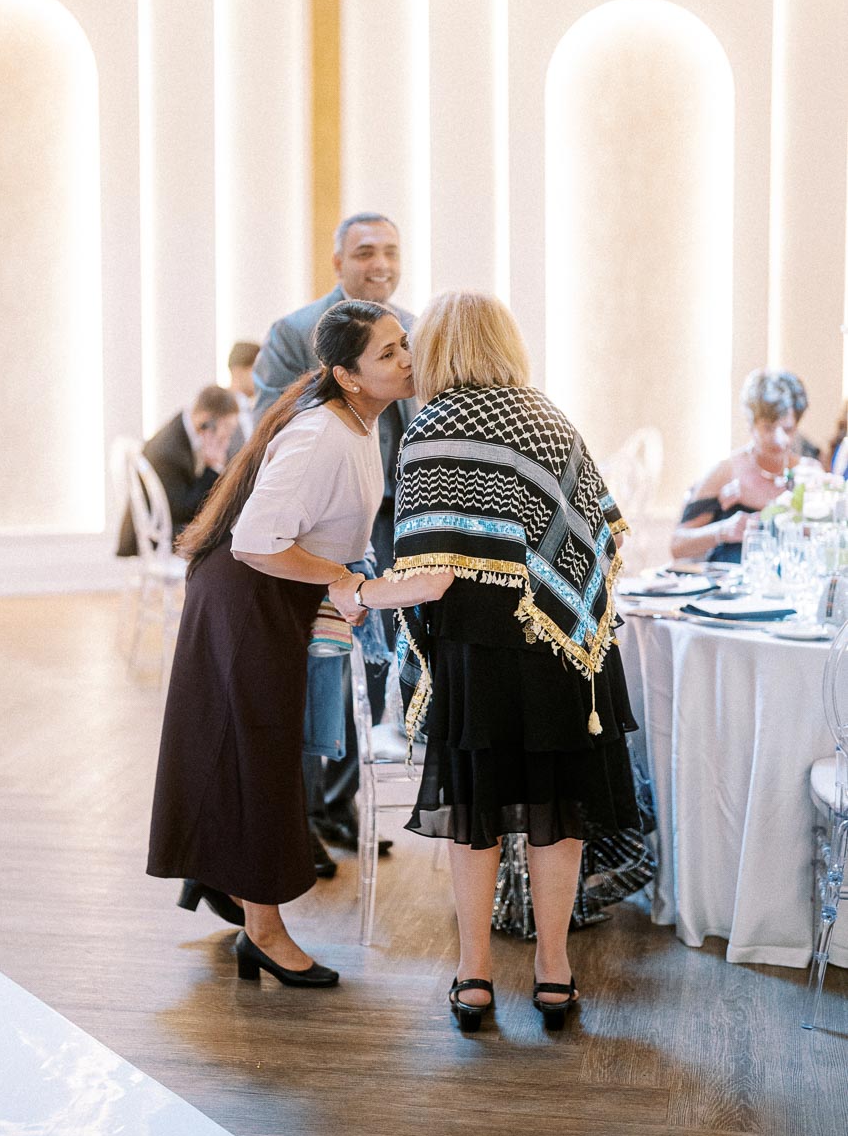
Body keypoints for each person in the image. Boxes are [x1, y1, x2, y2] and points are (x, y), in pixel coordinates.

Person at [330, 291, 640, 1033]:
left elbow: (430, 577)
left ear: (439, 349)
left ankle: (473, 973)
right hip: (562, 653)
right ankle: (554, 971)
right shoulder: (549, 418)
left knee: (477, 817)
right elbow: (601, 539)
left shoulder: (432, 430)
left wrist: (360, 590)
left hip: (479, 656)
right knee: (555, 813)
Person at [146, 300, 450, 988]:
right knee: (262, 759)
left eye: (404, 345)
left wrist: (344, 584)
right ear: (348, 375)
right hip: (248, 599)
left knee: (249, 752)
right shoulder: (323, 434)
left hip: (272, 597)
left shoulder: (359, 422)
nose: (407, 359)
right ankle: (265, 933)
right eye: (389, 354)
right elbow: (256, 540)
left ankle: (226, 886)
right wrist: (341, 579)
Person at [253, 212, 415, 868]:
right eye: (364, 252)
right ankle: (302, 820)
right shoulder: (295, 334)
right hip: (319, 529)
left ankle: (341, 805)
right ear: (337, 262)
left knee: (369, 669)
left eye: (390, 252)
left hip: (389, 523)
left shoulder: (412, 327)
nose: (379, 264)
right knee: (318, 668)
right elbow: (273, 423)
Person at [671, 368, 814, 564]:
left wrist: (770, 506)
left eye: (787, 429)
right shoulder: (727, 471)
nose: (778, 439)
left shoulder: (808, 473)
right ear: (751, 423)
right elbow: (678, 545)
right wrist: (723, 530)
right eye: (768, 428)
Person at [117, 385, 239, 557]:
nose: (228, 437)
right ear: (206, 421)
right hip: (157, 534)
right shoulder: (169, 452)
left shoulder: (185, 428)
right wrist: (212, 468)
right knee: (227, 533)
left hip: (169, 522)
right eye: (226, 428)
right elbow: (185, 509)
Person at [226, 340, 260, 455]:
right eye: (257, 370)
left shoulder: (254, 412)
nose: (262, 378)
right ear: (238, 371)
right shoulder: (220, 410)